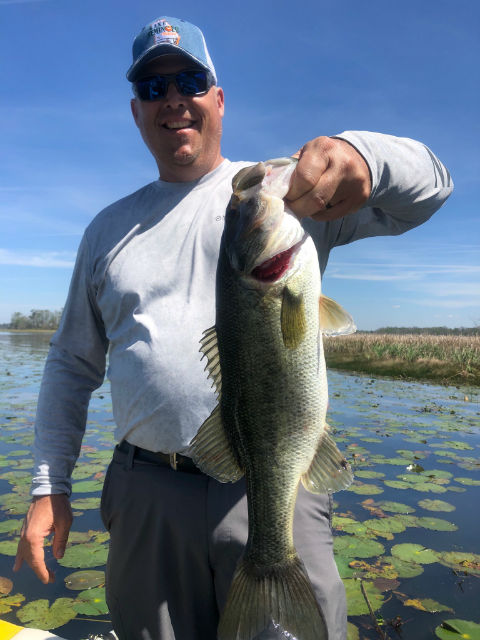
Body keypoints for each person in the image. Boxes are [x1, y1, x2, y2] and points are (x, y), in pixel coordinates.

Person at [14, 15, 453, 640]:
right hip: (146, 493)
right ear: (136, 112)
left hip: (273, 485)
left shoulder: (288, 191)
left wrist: (364, 157)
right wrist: (50, 484)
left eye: (190, 81)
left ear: (218, 99)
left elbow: (434, 184)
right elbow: (70, 364)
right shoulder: (106, 231)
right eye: (153, 88)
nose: (173, 101)